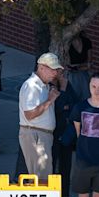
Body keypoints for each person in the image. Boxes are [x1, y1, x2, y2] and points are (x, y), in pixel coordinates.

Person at [19, 53, 62, 181]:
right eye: (52, 69)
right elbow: (30, 114)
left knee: (42, 176)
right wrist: (49, 100)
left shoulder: (44, 85)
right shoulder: (31, 86)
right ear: (41, 67)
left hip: (40, 134)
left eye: (56, 69)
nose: (55, 72)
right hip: (35, 134)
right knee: (41, 179)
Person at [51, 68, 82, 197]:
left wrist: (65, 104)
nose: (62, 76)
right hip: (53, 133)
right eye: (60, 73)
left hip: (67, 135)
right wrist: (63, 93)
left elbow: (76, 105)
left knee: (66, 169)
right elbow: (56, 108)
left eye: (63, 73)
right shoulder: (50, 87)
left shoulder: (67, 86)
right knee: (51, 169)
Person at [67, 31, 92, 101]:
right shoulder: (67, 43)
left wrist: (78, 67)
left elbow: (89, 63)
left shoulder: (86, 42)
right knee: (73, 96)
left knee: (86, 96)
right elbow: (67, 64)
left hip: (84, 73)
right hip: (72, 74)